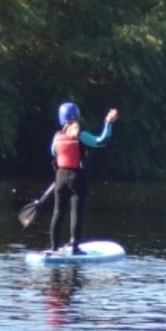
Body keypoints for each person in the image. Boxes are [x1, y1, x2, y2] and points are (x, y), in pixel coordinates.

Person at [49, 102, 118, 254]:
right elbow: (101, 141)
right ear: (78, 117)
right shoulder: (81, 135)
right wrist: (108, 123)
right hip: (77, 177)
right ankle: (75, 247)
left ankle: (54, 248)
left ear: (61, 119)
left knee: (57, 212)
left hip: (60, 177)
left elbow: (54, 153)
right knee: (76, 213)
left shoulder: (57, 137)